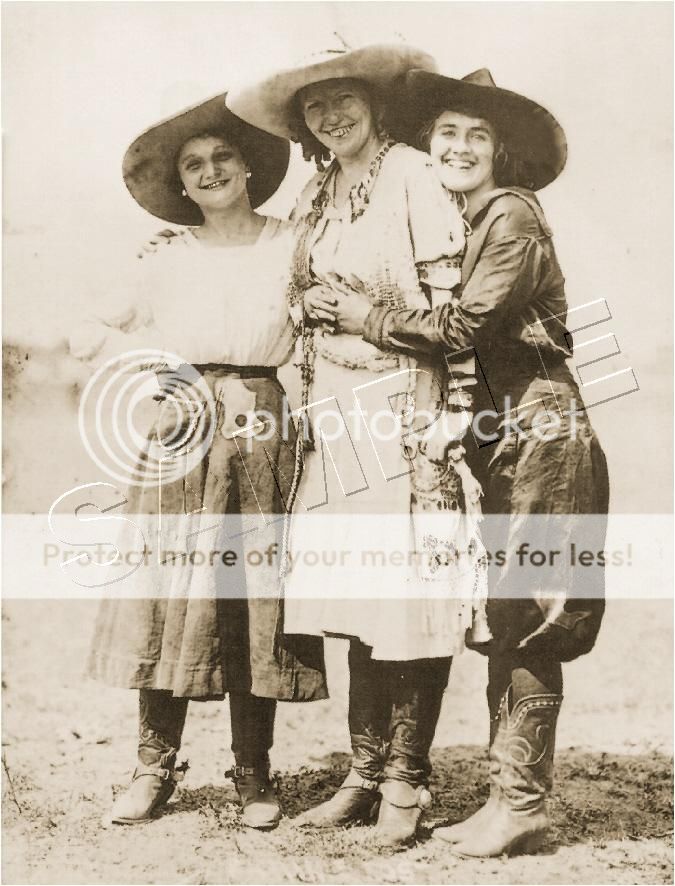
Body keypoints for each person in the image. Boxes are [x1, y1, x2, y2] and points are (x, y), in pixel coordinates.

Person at [329, 68, 609, 856]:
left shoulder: (512, 217)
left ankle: (520, 804)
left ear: (501, 150)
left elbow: (464, 324)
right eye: (445, 133)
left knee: (529, 619)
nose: (456, 146)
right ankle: (506, 799)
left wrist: (365, 314)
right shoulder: (475, 219)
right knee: (508, 616)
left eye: (474, 135)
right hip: (507, 434)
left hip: (543, 434)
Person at [227, 43, 489, 848]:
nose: (330, 116)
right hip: (333, 410)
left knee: (407, 600)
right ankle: (363, 775)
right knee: (359, 601)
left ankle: (407, 784)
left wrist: (454, 411)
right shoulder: (318, 189)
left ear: (373, 104)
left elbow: (450, 309)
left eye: (343, 99)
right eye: (314, 107)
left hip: (405, 401)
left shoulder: (412, 172)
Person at [69, 94, 327, 830]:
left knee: (251, 599)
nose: (211, 170)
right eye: (193, 164)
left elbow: (317, 330)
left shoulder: (291, 242)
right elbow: (88, 328)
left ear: (249, 165)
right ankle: (153, 768)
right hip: (180, 429)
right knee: (167, 593)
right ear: (180, 184)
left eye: (222, 157)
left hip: (261, 421)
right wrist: (157, 372)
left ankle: (253, 776)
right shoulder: (163, 255)